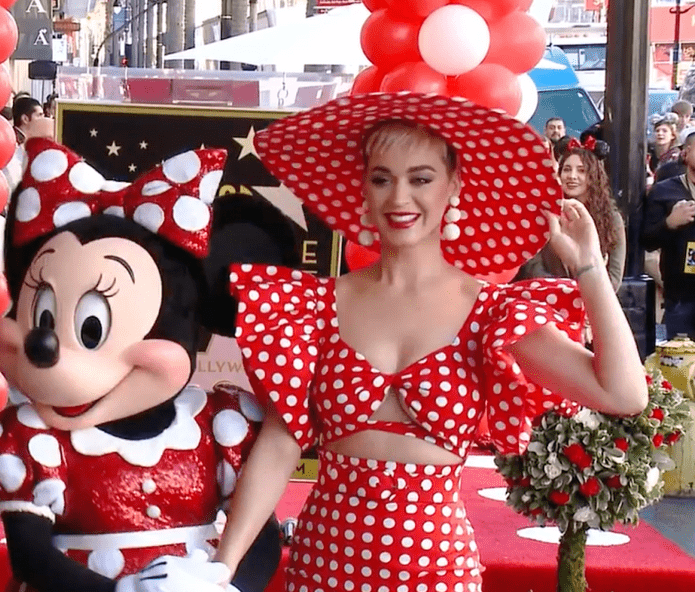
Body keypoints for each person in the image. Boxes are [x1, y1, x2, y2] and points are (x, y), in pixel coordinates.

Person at [208, 93, 647, 592]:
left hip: (437, 571)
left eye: (420, 179)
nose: (399, 199)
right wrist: (220, 570)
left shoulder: (491, 313)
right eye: (382, 178)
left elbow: (624, 394)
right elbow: (280, 445)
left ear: (454, 185)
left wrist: (588, 267)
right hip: (323, 564)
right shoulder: (314, 306)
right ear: (364, 188)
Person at [516, 141, 626, 291]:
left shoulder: (612, 219)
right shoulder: (544, 214)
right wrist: (564, 291)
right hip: (548, 298)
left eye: (581, 170)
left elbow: (614, 276)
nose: (572, 176)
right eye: (567, 169)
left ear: (594, 176)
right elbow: (533, 267)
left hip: (593, 305)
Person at [643, 129, 695, 339]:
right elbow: (647, 240)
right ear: (687, 152)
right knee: (681, 364)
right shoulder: (665, 191)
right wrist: (669, 223)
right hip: (681, 293)